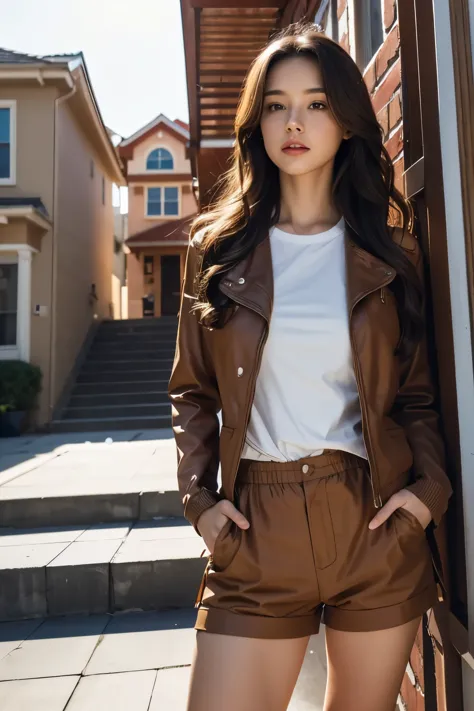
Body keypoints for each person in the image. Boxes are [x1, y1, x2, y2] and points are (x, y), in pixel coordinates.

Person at [168, 21, 452, 711]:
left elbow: (416, 395)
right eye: (275, 103)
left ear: (347, 120)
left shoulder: (388, 254)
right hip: (255, 531)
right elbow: (192, 390)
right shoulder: (218, 250)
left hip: (372, 519)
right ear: (257, 121)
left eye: (317, 102)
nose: (294, 121)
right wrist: (201, 503)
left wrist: (427, 494)